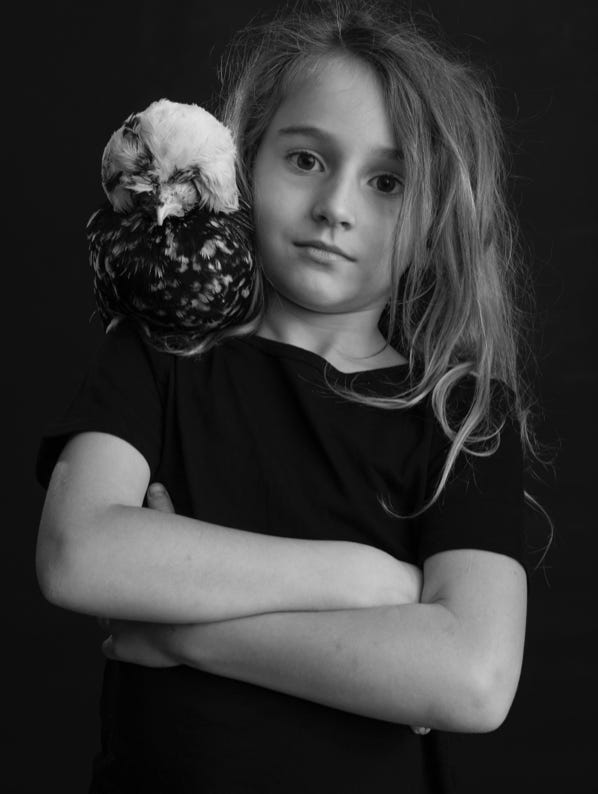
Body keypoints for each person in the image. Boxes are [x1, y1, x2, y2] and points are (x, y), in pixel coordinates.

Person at [35, 1, 550, 791]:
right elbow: (78, 554)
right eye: (306, 160)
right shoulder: (164, 349)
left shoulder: (459, 416)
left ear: (435, 222)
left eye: (387, 182)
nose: (336, 207)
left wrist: (182, 634)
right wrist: (360, 579)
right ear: (242, 162)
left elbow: (472, 680)